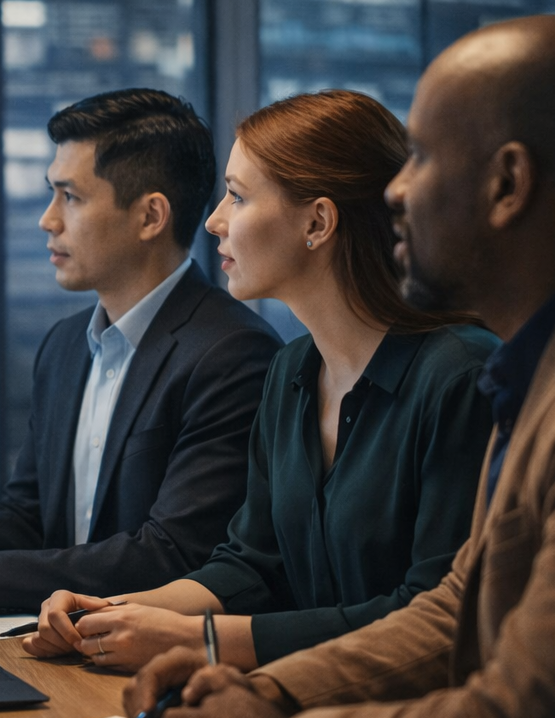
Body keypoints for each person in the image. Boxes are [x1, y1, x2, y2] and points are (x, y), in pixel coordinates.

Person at [125, 15, 555, 718]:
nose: (396, 192)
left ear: (507, 182)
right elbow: (458, 608)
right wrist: (274, 693)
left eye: (420, 157)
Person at [26, 90, 496, 672]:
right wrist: (109, 610)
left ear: (318, 222)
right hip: (304, 699)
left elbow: (432, 618)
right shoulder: (292, 370)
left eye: (238, 196)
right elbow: (250, 564)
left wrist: (203, 643)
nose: (214, 220)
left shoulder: (460, 376)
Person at [0, 89, 280, 613]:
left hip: (153, 654)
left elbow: (177, 554)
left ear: (150, 217)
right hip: (62, 639)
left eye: (70, 196)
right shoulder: (66, 343)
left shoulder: (232, 354)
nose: (48, 219)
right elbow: (30, 511)